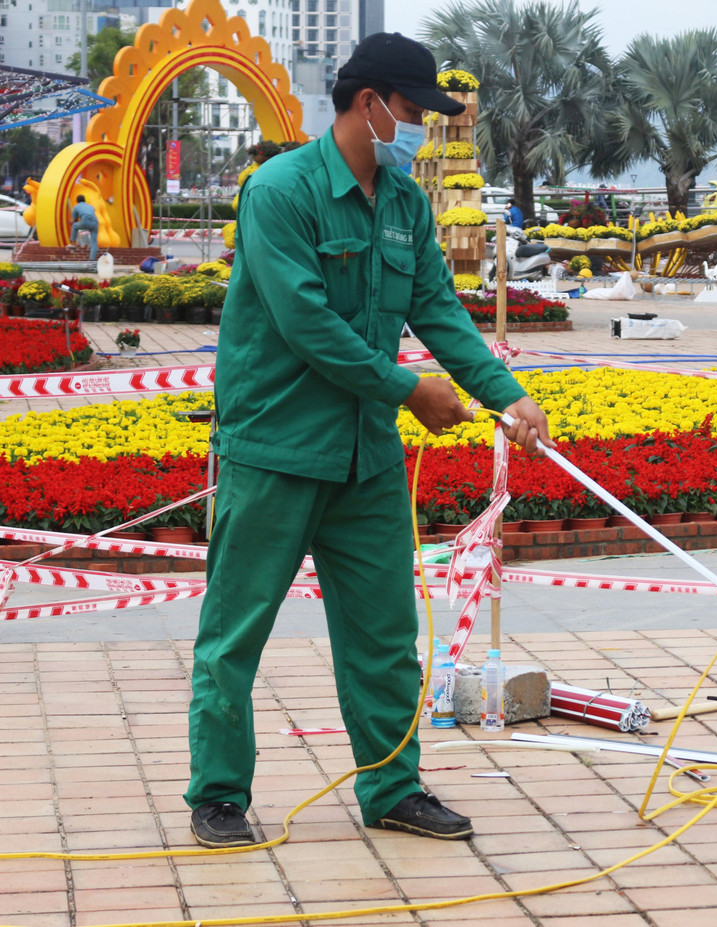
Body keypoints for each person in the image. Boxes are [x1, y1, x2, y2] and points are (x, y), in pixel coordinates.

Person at [183, 31, 554, 850]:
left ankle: (393, 785)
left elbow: (439, 311)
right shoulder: (279, 191)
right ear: (368, 103)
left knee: (386, 636)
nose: (419, 127)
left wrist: (508, 394)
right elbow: (307, 323)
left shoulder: (404, 202)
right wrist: (410, 391)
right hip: (275, 448)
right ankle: (217, 794)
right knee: (235, 633)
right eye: (414, 111)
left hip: (364, 458)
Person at [70, 194, 100, 261]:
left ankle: (73, 243)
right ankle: (92, 259)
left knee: (74, 226)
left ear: (77, 201)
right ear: (84, 200)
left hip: (85, 220)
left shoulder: (76, 207)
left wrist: (71, 222)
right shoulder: (91, 206)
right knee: (94, 242)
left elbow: (74, 219)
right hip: (95, 222)